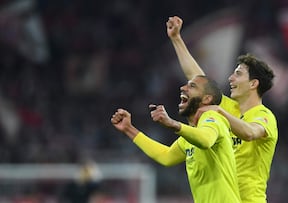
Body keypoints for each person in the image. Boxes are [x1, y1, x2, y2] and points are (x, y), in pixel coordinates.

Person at [166, 16, 278, 203]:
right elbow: (196, 77)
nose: (230, 79)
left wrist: (220, 112)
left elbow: (250, 132)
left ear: (253, 83)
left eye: (238, 74)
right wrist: (176, 39)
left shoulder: (264, 116)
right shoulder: (229, 107)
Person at [111, 75, 241, 203]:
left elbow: (206, 140)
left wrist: (173, 124)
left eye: (192, 86)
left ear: (207, 99)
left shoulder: (213, 117)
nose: (183, 87)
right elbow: (166, 156)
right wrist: (129, 129)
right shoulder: (191, 136)